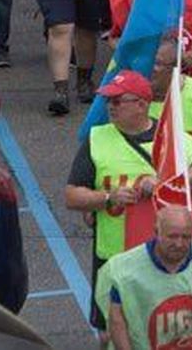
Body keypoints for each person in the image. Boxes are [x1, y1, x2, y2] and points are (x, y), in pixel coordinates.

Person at [64, 70, 159, 322]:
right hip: (112, 255)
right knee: (108, 328)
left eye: (117, 101)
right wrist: (106, 198)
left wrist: (164, 183)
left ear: (141, 104)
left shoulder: (170, 137)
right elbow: (72, 196)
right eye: (109, 101)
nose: (110, 107)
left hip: (161, 257)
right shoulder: (97, 138)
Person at [95, 205, 192, 350]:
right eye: (172, 236)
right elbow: (117, 319)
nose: (179, 244)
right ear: (157, 232)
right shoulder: (123, 269)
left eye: (186, 237)